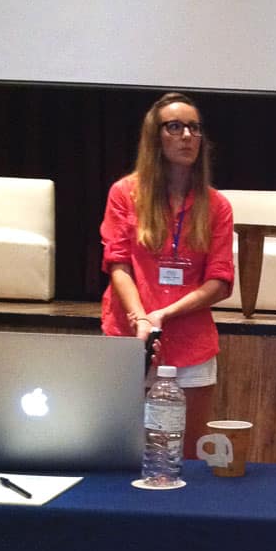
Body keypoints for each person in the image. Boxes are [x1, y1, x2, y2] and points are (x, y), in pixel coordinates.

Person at [100, 91, 234, 458]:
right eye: (175, 127)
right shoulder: (125, 194)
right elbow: (118, 263)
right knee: (121, 456)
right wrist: (141, 317)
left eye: (194, 128)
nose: (187, 136)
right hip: (130, 337)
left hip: (191, 344)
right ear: (154, 137)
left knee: (186, 459)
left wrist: (165, 315)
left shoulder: (217, 205)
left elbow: (220, 281)